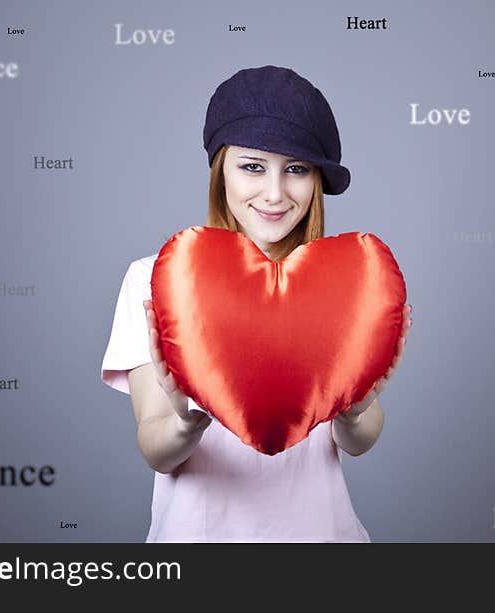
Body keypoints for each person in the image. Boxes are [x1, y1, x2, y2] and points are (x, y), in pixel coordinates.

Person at [101, 65, 413, 542]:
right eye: (252, 166)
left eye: (296, 169)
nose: (274, 193)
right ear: (220, 169)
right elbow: (157, 449)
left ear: (315, 181)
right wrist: (191, 414)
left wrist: (355, 408)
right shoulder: (155, 279)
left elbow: (358, 443)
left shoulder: (348, 285)